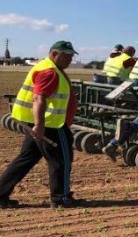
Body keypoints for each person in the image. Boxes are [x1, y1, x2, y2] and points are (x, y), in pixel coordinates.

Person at [0, 41, 81, 208]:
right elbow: (39, 99)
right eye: (66, 56)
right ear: (54, 54)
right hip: (51, 125)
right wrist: (40, 125)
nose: (69, 59)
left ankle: (0, 194)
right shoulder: (49, 72)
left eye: (71, 56)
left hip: (40, 123)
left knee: (25, 159)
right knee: (61, 160)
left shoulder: (49, 67)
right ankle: (61, 199)